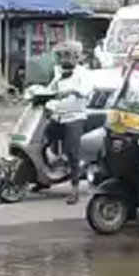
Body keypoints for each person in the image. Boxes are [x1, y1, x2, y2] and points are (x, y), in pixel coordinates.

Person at [46, 40, 88, 205]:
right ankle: (47, 174)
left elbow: (86, 90)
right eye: (61, 56)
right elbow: (51, 89)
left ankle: (75, 188)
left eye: (66, 55)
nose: (63, 59)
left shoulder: (82, 73)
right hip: (58, 117)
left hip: (74, 117)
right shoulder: (58, 72)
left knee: (72, 152)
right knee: (43, 140)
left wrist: (73, 91)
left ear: (75, 56)